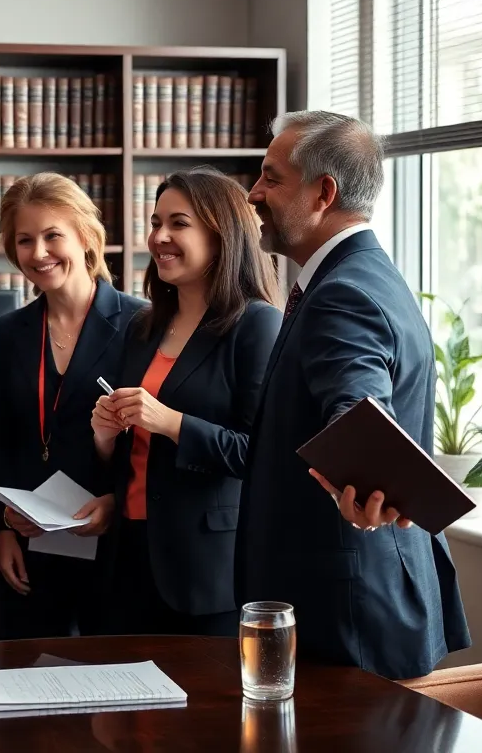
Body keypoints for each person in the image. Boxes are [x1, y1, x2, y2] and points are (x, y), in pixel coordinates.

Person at [237, 110, 470, 679]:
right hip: (358, 596)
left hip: (344, 612)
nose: (253, 192)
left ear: (324, 192)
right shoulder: (368, 273)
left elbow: (357, 401)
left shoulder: (343, 292)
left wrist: (370, 484)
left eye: (271, 177)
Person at [91, 167, 282, 637]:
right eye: (156, 223)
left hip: (205, 571)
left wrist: (171, 422)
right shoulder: (143, 325)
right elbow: (125, 458)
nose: (160, 236)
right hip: (128, 555)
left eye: (179, 223)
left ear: (222, 235)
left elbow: (259, 454)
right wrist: (104, 435)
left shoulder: (255, 325)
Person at [0, 173, 144, 638]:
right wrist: (3, 529)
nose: (38, 253)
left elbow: (147, 440)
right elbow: (9, 438)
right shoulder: (11, 330)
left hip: (113, 540)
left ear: (85, 236)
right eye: (24, 240)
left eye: (52, 235)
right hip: (36, 540)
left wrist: (115, 502)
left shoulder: (141, 323)